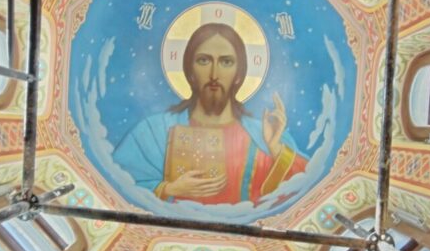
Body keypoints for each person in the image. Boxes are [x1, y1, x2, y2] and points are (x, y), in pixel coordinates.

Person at [113, 23, 307, 204]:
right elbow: (118, 186)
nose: (214, 74)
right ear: (190, 71)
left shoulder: (263, 137)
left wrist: (275, 149)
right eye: (203, 60)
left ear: (239, 74)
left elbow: (304, 192)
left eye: (226, 62)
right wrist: (168, 189)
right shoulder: (154, 132)